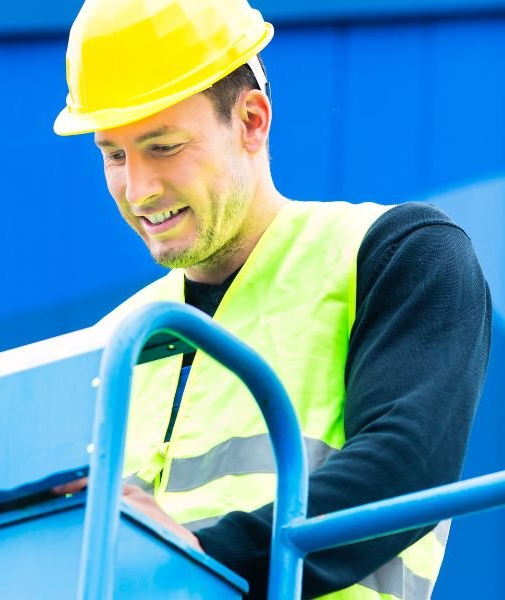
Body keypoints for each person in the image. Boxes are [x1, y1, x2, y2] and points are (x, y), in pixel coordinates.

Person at [51, 0, 492, 598]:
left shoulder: (392, 254)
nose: (138, 189)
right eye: (114, 154)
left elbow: (404, 465)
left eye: (164, 146)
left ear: (252, 121)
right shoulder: (112, 342)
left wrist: (200, 564)